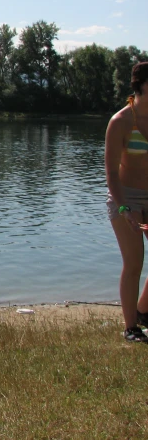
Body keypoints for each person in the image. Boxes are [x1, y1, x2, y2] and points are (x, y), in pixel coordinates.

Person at [106, 61, 148, 342]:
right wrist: (124, 209)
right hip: (125, 198)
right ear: (142, 86)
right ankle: (131, 327)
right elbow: (110, 172)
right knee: (134, 263)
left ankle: (143, 310)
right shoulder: (120, 122)